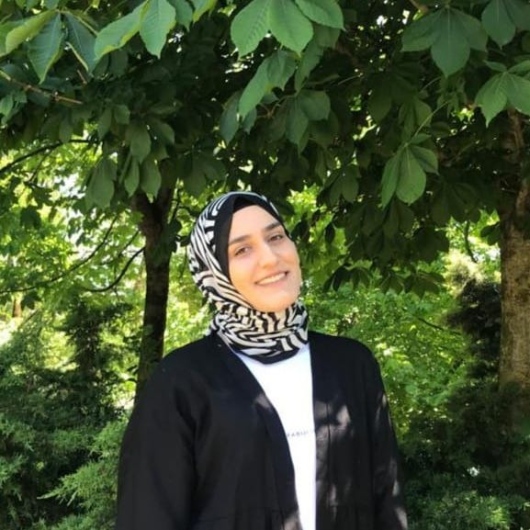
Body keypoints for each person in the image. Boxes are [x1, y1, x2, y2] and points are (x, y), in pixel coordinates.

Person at [115, 191, 408, 530]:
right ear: (214, 273)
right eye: (242, 250)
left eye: (276, 237)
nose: (270, 258)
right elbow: (147, 517)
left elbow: (388, 504)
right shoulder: (180, 382)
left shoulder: (352, 366)